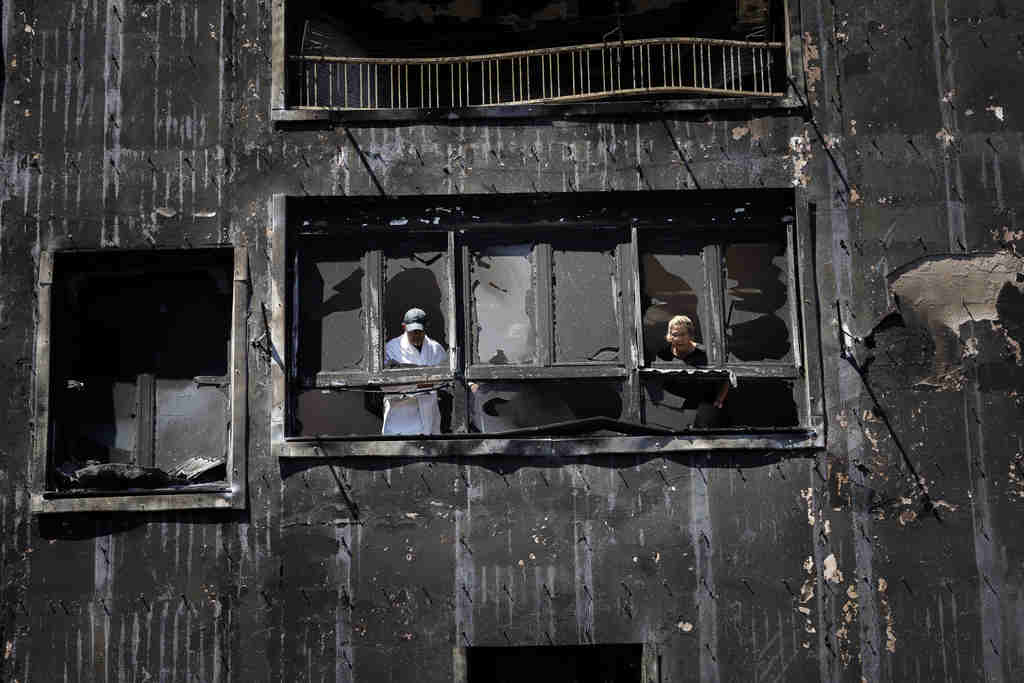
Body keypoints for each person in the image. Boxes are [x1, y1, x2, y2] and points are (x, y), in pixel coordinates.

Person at [381, 308, 448, 435]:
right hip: (400, 420)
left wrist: (412, 381)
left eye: (419, 331)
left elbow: (444, 381)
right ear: (404, 327)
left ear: (426, 328)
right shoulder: (392, 348)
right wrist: (425, 383)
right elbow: (386, 385)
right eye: (412, 331)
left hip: (430, 419)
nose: (416, 335)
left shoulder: (436, 349)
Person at [658, 315, 728, 426]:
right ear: (670, 336)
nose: (679, 339)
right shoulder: (663, 355)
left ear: (690, 335)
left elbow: (725, 377)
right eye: (675, 335)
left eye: (683, 334)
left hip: (703, 407)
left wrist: (718, 402)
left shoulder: (704, 354)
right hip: (672, 408)